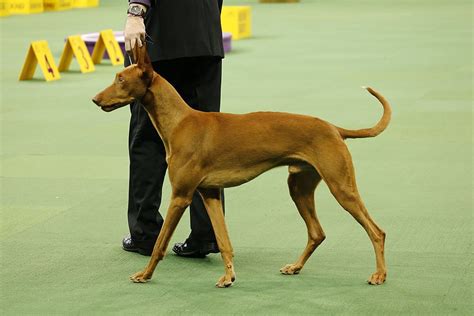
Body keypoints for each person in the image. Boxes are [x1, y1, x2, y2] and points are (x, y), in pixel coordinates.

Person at [122, 0, 225, 257]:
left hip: (162, 39)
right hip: (206, 38)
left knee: (147, 137)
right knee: (205, 144)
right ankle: (206, 234)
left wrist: (136, 10)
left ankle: (145, 234)